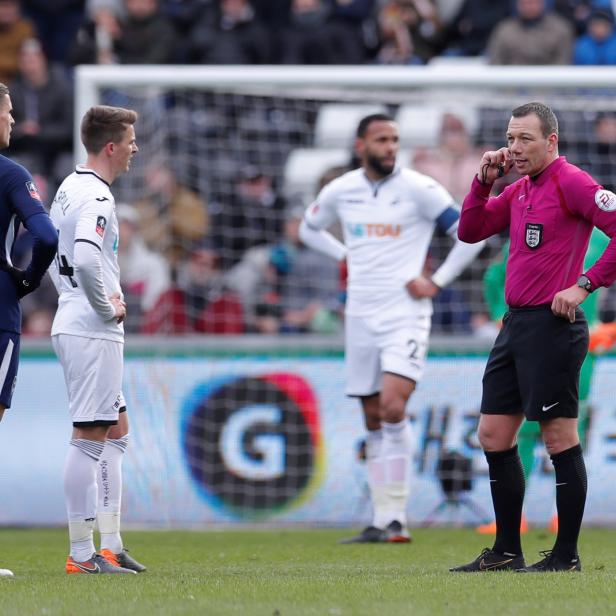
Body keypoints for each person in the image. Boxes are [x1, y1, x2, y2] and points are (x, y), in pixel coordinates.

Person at [299, 113, 485, 543]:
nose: (389, 147)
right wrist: (344, 254)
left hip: (406, 311)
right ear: (361, 144)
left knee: (393, 407)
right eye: (381, 139)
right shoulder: (342, 189)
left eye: (395, 139)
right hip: (360, 313)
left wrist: (435, 282)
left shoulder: (419, 189)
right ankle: (383, 519)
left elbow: (470, 235)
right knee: (370, 416)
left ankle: (397, 517)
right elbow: (309, 228)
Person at [450, 101, 616, 573]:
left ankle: (565, 556)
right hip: (516, 325)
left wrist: (584, 284)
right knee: (493, 434)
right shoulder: (520, 189)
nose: (515, 148)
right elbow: (470, 230)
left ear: (552, 142)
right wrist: (483, 181)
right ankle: (506, 551)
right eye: (510, 138)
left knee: (559, 437)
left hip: (553, 327)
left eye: (525, 139)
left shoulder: (574, 182)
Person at [49, 105, 146, 575]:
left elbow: (52, 251)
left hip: (75, 318)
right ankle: (82, 554)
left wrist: (68, 295)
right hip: (93, 328)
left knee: (115, 432)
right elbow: (87, 260)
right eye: (130, 141)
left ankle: (110, 543)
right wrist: (105, 308)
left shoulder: (70, 186)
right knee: (89, 436)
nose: (134, 149)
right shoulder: (100, 200)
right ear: (111, 146)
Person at [475, 227, 609, 536]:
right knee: (519, 428)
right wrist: (499, 313)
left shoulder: (602, 238)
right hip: (527, 338)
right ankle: (512, 517)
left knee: (569, 428)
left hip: (579, 343)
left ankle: (559, 516)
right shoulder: (534, 224)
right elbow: (494, 276)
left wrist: (608, 327)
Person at [0, 80, 58, 578]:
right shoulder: (10, 174)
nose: (13, 121)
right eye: (8, 112)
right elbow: (45, 234)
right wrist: (27, 280)